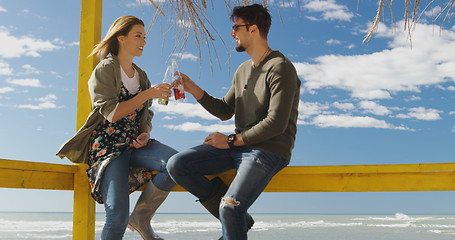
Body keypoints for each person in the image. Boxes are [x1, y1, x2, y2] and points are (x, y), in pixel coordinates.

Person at [167, 4, 301, 240]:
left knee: (230, 206)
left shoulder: (280, 67)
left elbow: (276, 123)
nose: (232, 33)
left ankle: (234, 216)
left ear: (253, 29)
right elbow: (224, 110)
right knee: (177, 164)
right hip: (239, 146)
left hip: (268, 150)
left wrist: (230, 140)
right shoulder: (242, 70)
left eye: (236, 27)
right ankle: (239, 219)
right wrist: (193, 89)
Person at [57, 16, 177, 240]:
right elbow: (111, 114)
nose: (143, 41)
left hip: (136, 144)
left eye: (144, 37)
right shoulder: (105, 69)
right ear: (121, 38)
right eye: (137, 36)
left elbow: (146, 114)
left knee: (177, 163)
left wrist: (146, 132)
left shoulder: (142, 76)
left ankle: (142, 216)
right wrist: (147, 95)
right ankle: (130, 218)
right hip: (109, 148)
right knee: (117, 217)